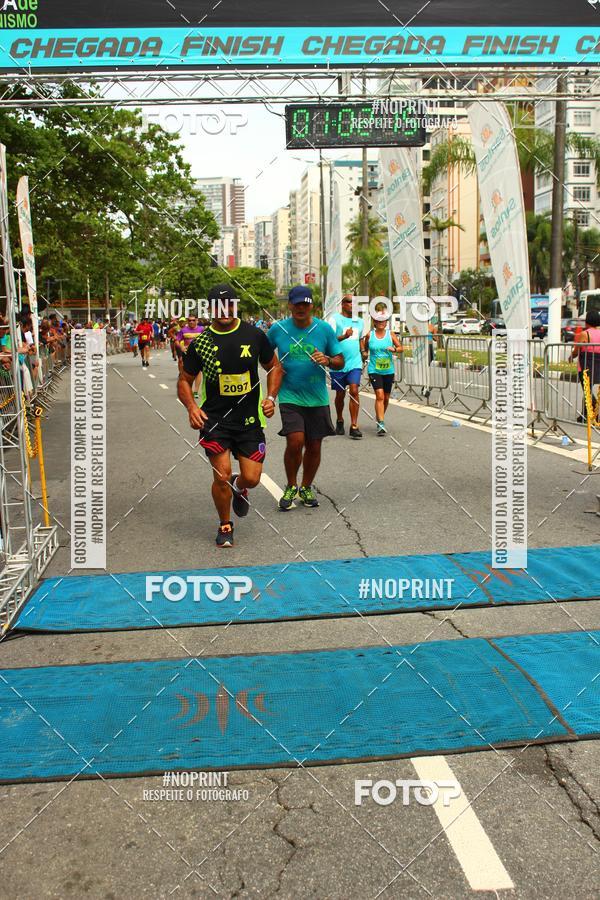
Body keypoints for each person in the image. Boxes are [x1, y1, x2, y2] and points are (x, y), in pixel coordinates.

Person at [177, 283, 282, 548]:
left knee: (253, 478)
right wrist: (192, 407)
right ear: (211, 309)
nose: (224, 311)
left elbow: (274, 367)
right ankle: (225, 524)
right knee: (220, 475)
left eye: (229, 305)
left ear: (235, 306)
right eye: (217, 306)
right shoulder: (201, 342)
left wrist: (270, 398)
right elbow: (184, 380)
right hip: (215, 421)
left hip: (249, 421)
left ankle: (240, 485)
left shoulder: (254, 335)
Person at [267, 285, 344, 510]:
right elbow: (264, 354)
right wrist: (273, 371)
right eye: (297, 303)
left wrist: (328, 360)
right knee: (295, 441)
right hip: (290, 395)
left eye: (305, 304)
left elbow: (341, 360)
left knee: (314, 445)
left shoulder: (323, 329)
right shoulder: (278, 329)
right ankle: (291, 485)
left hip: (317, 397)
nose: (301, 308)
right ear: (289, 305)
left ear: (312, 306)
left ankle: (306, 486)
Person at [361, 303, 403, 435]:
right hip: (374, 370)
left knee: (385, 398)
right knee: (379, 395)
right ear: (374, 322)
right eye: (378, 320)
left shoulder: (390, 334)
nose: (380, 323)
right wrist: (364, 352)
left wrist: (395, 349)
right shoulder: (370, 335)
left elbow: (401, 348)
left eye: (383, 320)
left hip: (388, 371)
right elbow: (364, 345)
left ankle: (380, 418)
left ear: (386, 322)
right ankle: (381, 423)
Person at [328, 294, 365, 439]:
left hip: (355, 363)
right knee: (340, 394)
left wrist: (363, 351)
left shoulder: (360, 322)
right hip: (338, 363)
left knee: (354, 390)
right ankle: (339, 419)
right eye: (350, 302)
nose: (353, 304)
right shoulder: (335, 319)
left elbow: (360, 339)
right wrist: (344, 336)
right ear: (343, 304)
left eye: (355, 302)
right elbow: (329, 340)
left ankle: (354, 425)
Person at [571, 308, 600, 422]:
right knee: (589, 391)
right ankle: (586, 414)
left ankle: (592, 414)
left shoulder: (585, 334)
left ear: (587, 321)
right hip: (599, 366)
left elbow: (576, 351)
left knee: (587, 390)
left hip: (585, 367)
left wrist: (572, 356)